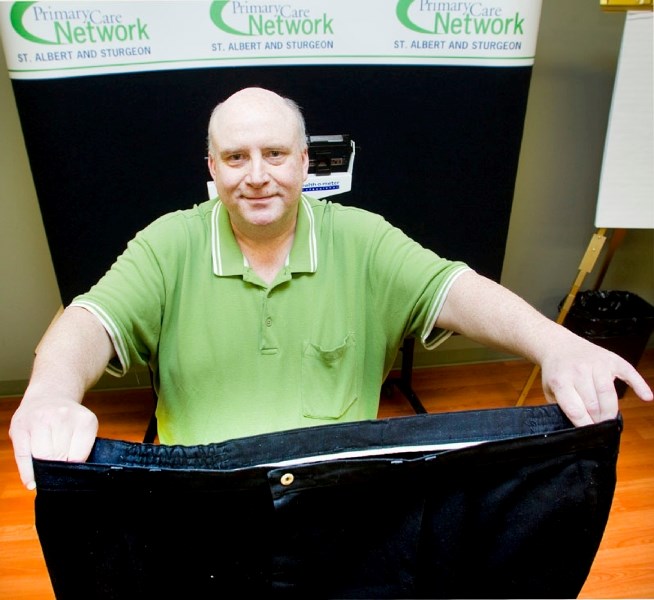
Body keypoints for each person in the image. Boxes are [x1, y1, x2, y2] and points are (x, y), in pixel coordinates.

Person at [10, 87, 652, 491]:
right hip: (204, 500)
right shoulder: (168, 243)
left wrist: (556, 344)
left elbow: (457, 289)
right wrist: (48, 395)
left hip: (343, 495)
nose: (256, 176)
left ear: (304, 160)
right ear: (211, 167)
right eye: (235, 158)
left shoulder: (362, 238)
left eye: (275, 155)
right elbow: (87, 321)